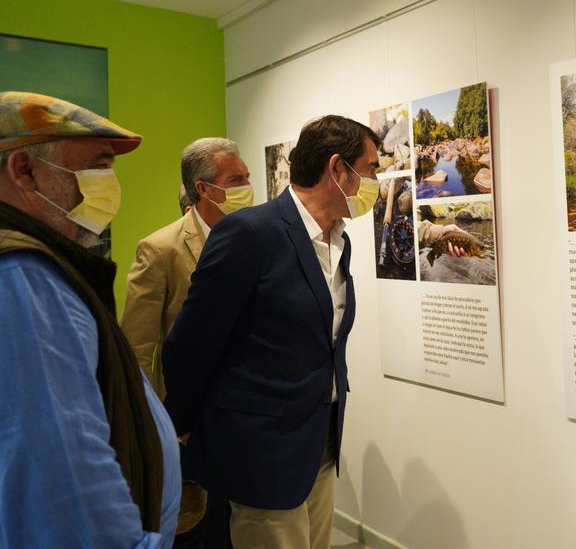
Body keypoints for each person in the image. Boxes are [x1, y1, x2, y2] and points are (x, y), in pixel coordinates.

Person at [163, 115, 380, 549]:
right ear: (337, 169)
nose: (375, 180)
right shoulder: (249, 233)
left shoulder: (340, 239)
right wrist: (182, 424)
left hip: (319, 436)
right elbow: (192, 340)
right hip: (261, 447)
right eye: (371, 168)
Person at [0, 91, 180, 547]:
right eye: (97, 166)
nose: (109, 185)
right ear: (23, 170)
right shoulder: (23, 280)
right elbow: (63, 474)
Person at [121, 138, 252, 548]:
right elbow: (137, 350)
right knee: (197, 530)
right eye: (237, 179)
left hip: (250, 415)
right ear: (203, 189)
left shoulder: (258, 240)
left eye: (247, 176)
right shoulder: (160, 249)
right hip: (190, 424)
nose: (248, 186)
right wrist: (158, 425)